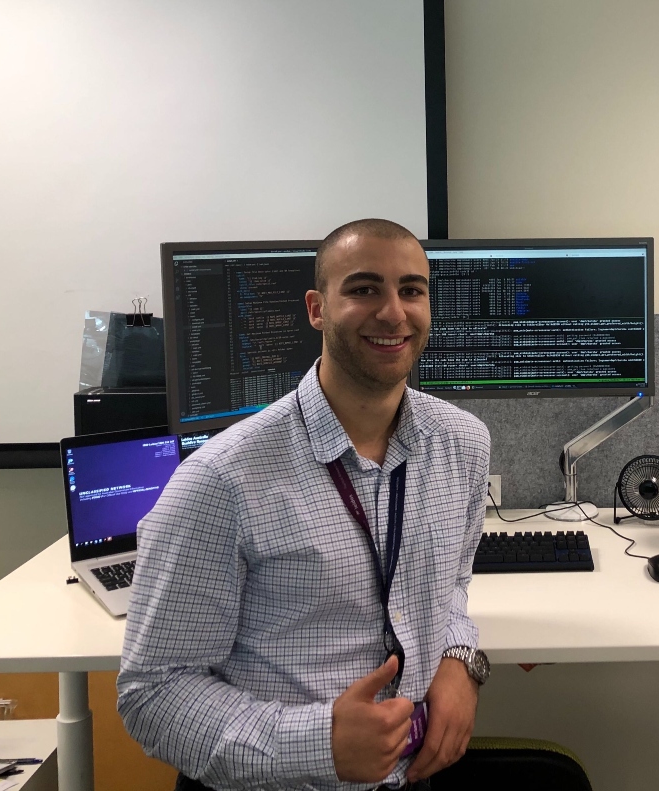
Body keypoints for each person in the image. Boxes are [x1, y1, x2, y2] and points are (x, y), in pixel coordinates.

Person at [118, 219, 491, 791]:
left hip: (409, 775)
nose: (393, 312)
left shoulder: (462, 445)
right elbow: (153, 693)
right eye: (364, 289)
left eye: (411, 290)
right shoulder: (221, 480)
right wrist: (319, 744)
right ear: (317, 309)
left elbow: (452, 585)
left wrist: (461, 660)